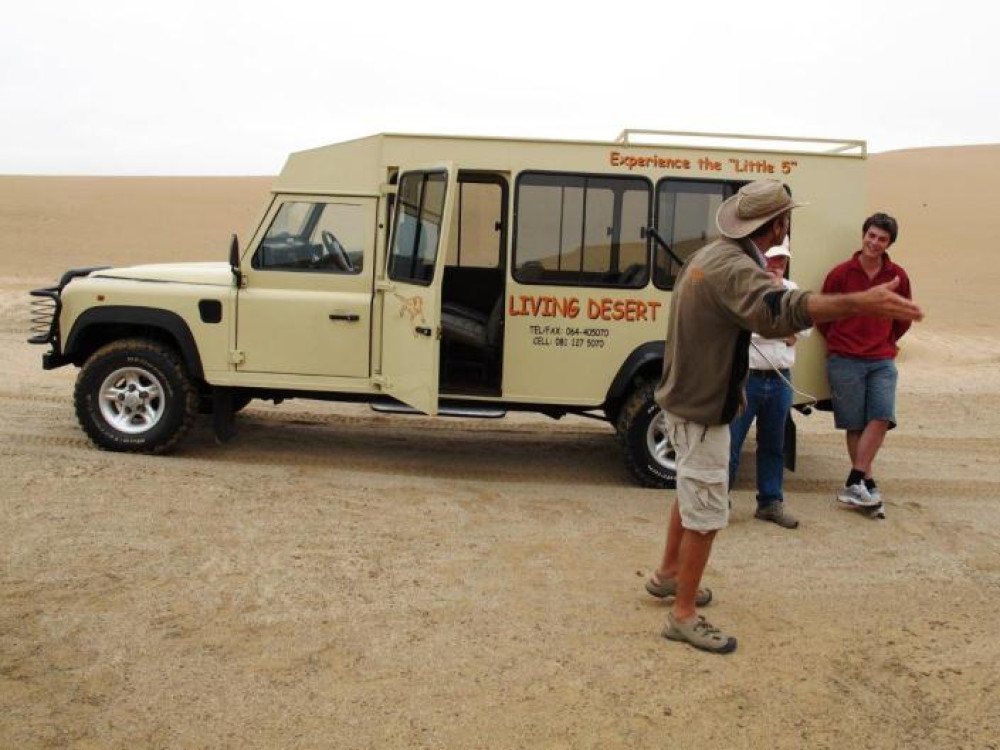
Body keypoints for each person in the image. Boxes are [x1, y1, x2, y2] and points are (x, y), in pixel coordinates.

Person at [646, 181, 922, 654]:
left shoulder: (709, 255)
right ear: (777, 224)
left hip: (684, 400)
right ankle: (683, 614)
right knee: (707, 512)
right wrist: (858, 302)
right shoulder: (733, 267)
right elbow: (780, 310)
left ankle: (669, 575)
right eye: (786, 217)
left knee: (692, 492)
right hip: (700, 410)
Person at [818, 213, 912, 517]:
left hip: (881, 359)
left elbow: (904, 317)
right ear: (863, 236)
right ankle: (866, 486)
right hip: (844, 359)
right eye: (871, 236)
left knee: (882, 416)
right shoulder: (841, 274)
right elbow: (822, 314)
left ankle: (854, 480)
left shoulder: (898, 275)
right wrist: (839, 341)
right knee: (855, 424)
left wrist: (885, 340)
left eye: (881, 239)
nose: (874, 243)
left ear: (889, 244)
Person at [728, 238, 811, 529]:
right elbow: (746, 332)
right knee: (731, 441)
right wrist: (784, 333)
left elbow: (805, 329)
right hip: (747, 377)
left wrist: (782, 329)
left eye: (782, 260)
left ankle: (770, 502)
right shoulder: (746, 289)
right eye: (772, 259)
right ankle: (718, 500)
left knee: (774, 444)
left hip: (778, 378)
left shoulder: (791, 289)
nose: (777, 265)